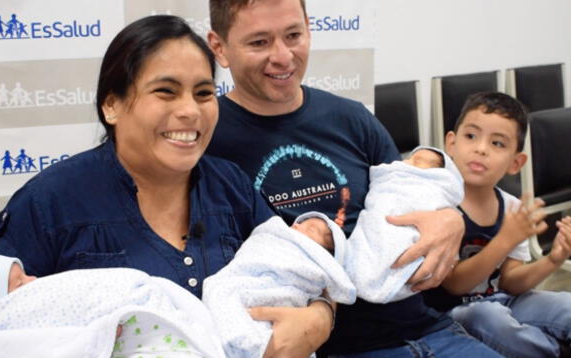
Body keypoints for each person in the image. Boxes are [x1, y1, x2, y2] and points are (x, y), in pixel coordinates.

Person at [0, 14, 336, 357]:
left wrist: (321, 316)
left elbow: (296, 262)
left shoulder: (231, 187)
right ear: (112, 105)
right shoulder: (50, 204)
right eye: (166, 91)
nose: (190, 110)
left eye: (204, 93)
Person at [205, 0, 501, 356]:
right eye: (259, 42)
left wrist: (451, 217)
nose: (283, 57)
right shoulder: (207, 140)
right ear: (219, 48)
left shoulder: (351, 118)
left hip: (427, 329)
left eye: (293, 35)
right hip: (335, 346)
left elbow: (406, 192)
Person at [423, 91, 571, 358]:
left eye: (498, 143)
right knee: (486, 316)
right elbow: (454, 285)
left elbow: (511, 282)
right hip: (452, 313)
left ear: (515, 163)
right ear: (451, 144)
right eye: (471, 136)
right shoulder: (438, 204)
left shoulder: (512, 208)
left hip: (503, 301)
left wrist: (552, 260)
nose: (481, 148)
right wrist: (504, 240)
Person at [0, 254, 225, 358]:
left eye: (25, 274)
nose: (33, 281)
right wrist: (97, 333)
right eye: (19, 284)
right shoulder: (11, 320)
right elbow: (47, 342)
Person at [203, 211, 357, 358]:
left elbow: (332, 284)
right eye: (298, 223)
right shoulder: (273, 237)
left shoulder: (312, 260)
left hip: (285, 299)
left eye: (310, 229)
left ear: (323, 254)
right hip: (247, 282)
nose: (296, 226)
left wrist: (322, 314)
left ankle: (246, 342)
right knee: (222, 289)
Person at [345, 147, 464, 304]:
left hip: (414, 309)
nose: (407, 163)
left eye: (418, 162)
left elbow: (438, 207)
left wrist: (454, 219)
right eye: (409, 159)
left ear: (438, 175)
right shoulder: (395, 175)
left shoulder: (429, 185)